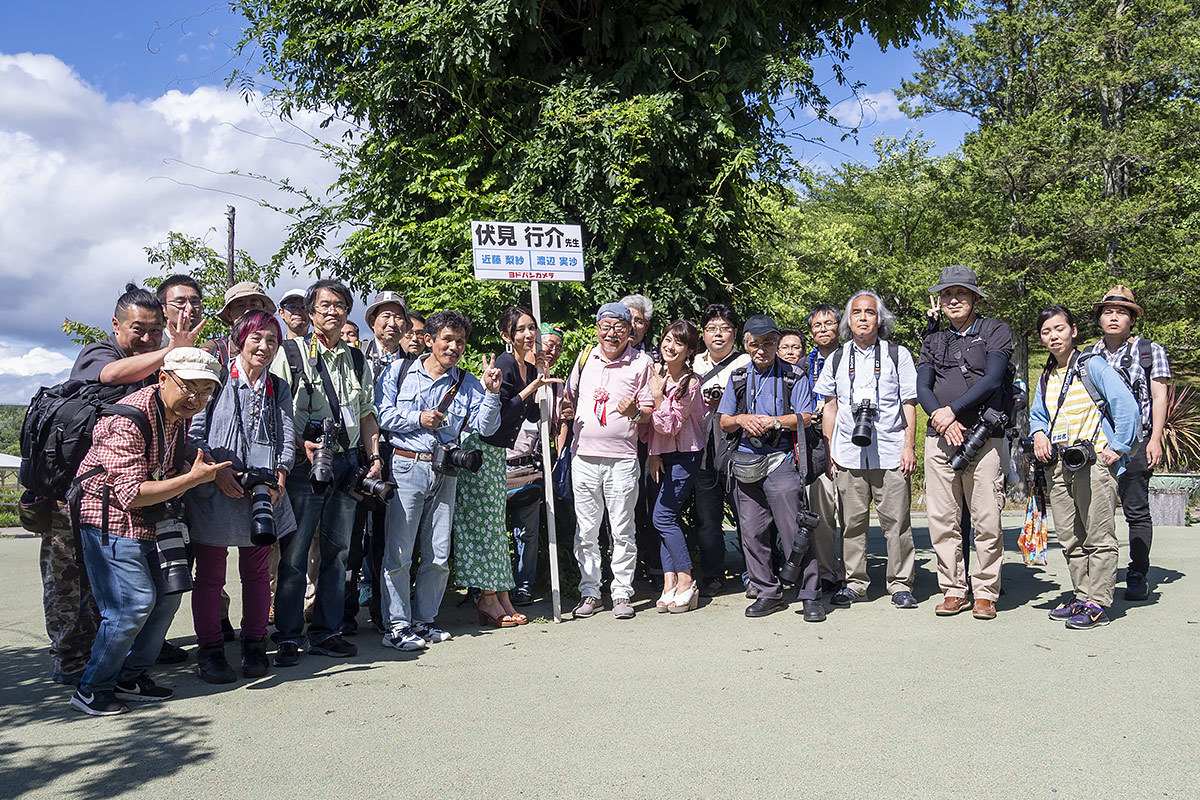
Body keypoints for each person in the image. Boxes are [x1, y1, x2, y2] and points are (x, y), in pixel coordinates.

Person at [45, 282, 204, 687]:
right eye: (139, 329)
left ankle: (119, 662)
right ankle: (72, 662)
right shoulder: (103, 353)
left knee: (132, 590)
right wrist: (172, 350)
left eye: (156, 330)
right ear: (117, 325)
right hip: (80, 491)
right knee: (71, 583)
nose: (148, 337)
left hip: (132, 492)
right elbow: (112, 375)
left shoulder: (157, 373)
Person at [69, 348, 230, 715]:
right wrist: (191, 480)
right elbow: (131, 493)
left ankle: (130, 676)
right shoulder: (127, 419)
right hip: (108, 517)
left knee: (169, 595)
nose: (197, 399)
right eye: (189, 387)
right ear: (163, 378)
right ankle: (91, 687)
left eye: (206, 392)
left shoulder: (175, 416)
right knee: (132, 604)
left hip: (151, 517)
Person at [269, 279, 384, 666]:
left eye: (339, 305)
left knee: (338, 553)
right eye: (324, 305)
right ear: (311, 311)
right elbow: (277, 407)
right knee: (295, 552)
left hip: (347, 462)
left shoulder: (356, 358)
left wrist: (374, 456)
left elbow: (367, 412)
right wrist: (299, 442)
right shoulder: (291, 351)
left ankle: (327, 632)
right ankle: (286, 634)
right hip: (305, 464)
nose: (332, 312)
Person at [376, 311, 502, 649]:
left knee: (438, 553)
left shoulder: (468, 381)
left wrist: (491, 394)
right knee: (400, 554)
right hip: (407, 466)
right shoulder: (399, 372)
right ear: (430, 340)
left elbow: (486, 428)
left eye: (460, 341)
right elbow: (382, 416)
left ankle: (424, 620)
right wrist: (418, 417)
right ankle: (397, 627)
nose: (454, 347)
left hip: (446, 471)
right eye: (447, 339)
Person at [187, 312, 297, 683]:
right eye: (256, 338)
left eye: (271, 340)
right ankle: (211, 651)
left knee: (257, 574)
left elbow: (286, 436)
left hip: (261, 492)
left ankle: (254, 645)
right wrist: (217, 472)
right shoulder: (216, 379)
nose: (263, 347)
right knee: (210, 576)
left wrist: (279, 476)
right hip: (215, 489)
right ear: (239, 340)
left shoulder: (278, 387)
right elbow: (193, 435)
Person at [1030, 305, 1139, 629]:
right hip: (1059, 465)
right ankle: (1081, 595)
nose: (1053, 336)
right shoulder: (1047, 375)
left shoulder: (1093, 365)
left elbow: (1126, 406)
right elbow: (1039, 415)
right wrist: (1038, 434)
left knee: (1098, 535)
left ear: (1073, 330)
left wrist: (1118, 447)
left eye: (1059, 329)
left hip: (1092, 462)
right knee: (1070, 537)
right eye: (1046, 332)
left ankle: (1098, 602)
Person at [917, 265, 1014, 620]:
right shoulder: (933, 340)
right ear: (940, 301)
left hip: (984, 437)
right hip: (940, 439)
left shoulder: (994, 331)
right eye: (947, 294)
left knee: (986, 518)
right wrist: (942, 421)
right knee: (943, 520)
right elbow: (923, 387)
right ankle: (953, 589)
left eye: (960, 294)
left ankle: (986, 590)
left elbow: (991, 379)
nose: (953, 300)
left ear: (975, 297)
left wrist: (953, 411)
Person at [814, 291, 920, 609]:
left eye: (869, 312)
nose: (862, 317)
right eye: (856, 312)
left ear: (880, 318)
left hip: (890, 449)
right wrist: (830, 448)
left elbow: (909, 404)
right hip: (847, 451)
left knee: (897, 522)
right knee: (852, 523)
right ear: (848, 320)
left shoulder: (898, 355)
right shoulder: (835, 357)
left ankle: (900, 583)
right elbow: (830, 406)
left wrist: (909, 446)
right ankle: (855, 583)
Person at [457, 307, 560, 625]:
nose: (529, 335)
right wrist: (532, 387)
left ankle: (501, 596)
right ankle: (487, 599)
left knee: (496, 532)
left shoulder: (527, 365)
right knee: (486, 530)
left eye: (532, 328)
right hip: (481, 452)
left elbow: (528, 417)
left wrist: (539, 382)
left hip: (497, 453)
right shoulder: (504, 363)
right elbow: (496, 416)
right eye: (520, 330)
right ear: (507, 336)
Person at [717, 315, 822, 621]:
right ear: (745, 344)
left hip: (782, 458)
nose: (761, 349)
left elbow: (805, 416)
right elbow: (724, 420)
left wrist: (774, 422)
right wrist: (741, 420)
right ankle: (767, 591)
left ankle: (809, 593)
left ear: (777, 342)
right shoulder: (736, 377)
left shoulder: (795, 375)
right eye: (754, 343)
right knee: (751, 531)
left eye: (767, 343)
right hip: (746, 462)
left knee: (794, 529)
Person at [562, 303, 654, 620]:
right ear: (597, 328)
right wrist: (562, 409)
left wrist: (634, 413)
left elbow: (648, 412)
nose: (611, 333)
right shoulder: (586, 357)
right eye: (606, 326)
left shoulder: (642, 362)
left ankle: (622, 594)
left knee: (622, 530)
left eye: (619, 326)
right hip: (584, 456)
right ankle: (590, 593)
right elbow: (569, 398)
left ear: (631, 331)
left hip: (623, 459)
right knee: (586, 531)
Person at [1085, 286, 1171, 601]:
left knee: (1135, 508)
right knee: (1096, 509)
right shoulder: (1088, 355)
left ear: (1132, 318)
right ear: (1099, 317)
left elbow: (1160, 396)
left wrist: (1156, 439)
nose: (1114, 317)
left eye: (1122, 312)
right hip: (1097, 443)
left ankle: (1138, 572)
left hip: (1137, 440)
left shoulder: (1149, 351)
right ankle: (1098, 572)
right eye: (1108, 311)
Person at [344, 290, 412, 633]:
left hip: (397, 455)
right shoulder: (355, 357)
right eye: (384, 316)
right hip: (358, 454)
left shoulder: (414, 362)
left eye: (398, 316)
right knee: (351, 535)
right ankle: (345, 612)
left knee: (387, 536)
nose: (392, 322)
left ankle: (386, 611)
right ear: (371, 321)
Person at [645, 320, 706, 613]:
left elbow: (669, 425)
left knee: (664, 517)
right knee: (664, 518)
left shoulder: (691, 383)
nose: (670, 346)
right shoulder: (656, 372)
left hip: (685, 454)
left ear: (690, 351)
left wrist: (658, 396)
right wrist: (654, 453)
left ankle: (685, 580)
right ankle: (669, 583)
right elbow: (651, 429)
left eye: (678, 343)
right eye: (668, 339)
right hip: (662, 455)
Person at [692, 304, 752, 596]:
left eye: (725, 328)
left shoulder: (747, 363)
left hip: (738, 447)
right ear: (703, 333)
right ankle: (713, 575)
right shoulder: (692, 363)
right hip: (701, 450)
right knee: (707, 519)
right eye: (712, 328)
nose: (718, 334)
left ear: (735, 333)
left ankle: (755, 573)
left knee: (747, 514)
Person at [507, 322, 565, 604]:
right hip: (501, 463)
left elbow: (556, 427)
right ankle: (492, 588)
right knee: (492, 530)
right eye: (546, 343)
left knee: (527, 532)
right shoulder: (509, 370)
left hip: (531, 467)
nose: (550, 350)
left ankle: (524, 584)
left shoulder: (556, 386)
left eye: (557, 346)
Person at [805, 304, 844, 593]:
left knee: (853, 513)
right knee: (822, 508)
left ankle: (856, 571)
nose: (823, 329)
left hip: (851, 437)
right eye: (817, 325)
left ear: (839, 327)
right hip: (816, 442)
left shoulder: (852, 357)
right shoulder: (803, 364)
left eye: (828, 324)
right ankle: (829, 572)